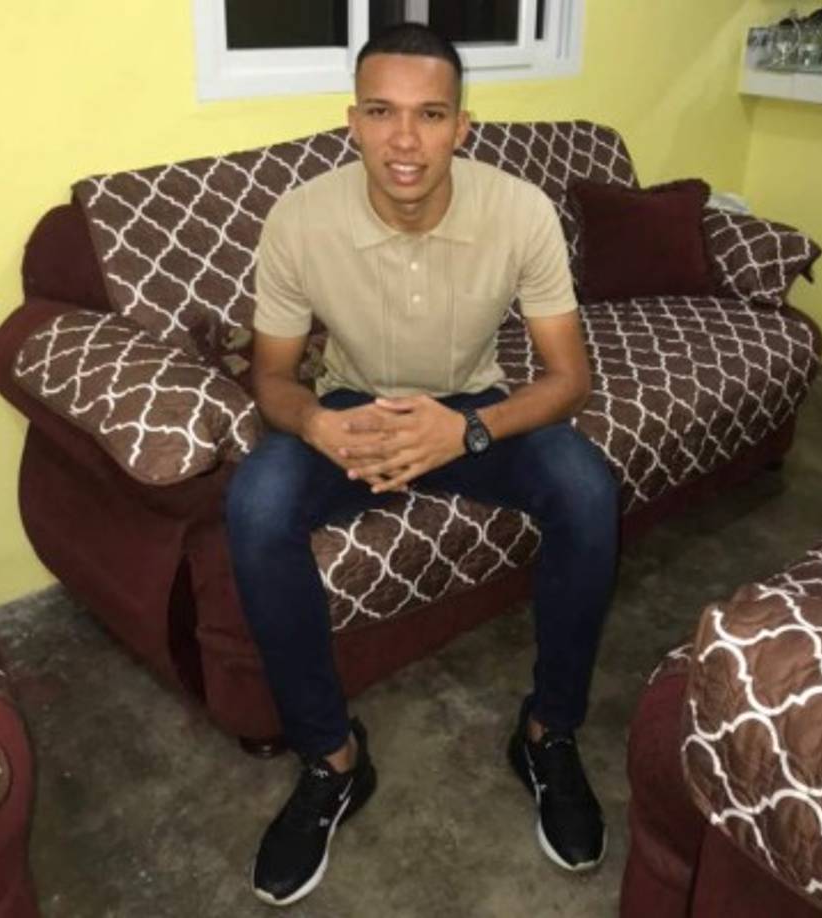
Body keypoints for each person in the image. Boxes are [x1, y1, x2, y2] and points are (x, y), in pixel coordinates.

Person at [226, 22, 619, 908]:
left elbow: (569, 380)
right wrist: (316, 425)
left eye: (430, 115)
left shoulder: (520, 211)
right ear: (352, 122)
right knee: (256, 505)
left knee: (587, 490)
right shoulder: (299, 219)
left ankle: (548, 733)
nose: (404, 140)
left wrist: (466, 432)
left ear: (461, 127)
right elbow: (273, 378)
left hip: (473, 412)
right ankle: (332, 760)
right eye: (381, 112)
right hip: (352, 411)